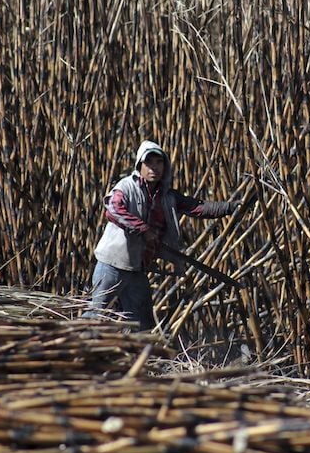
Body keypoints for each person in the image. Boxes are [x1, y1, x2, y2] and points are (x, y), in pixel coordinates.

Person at [82, 140, 239, 330]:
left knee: (142, 323)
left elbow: (196, 207)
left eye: (159, 162)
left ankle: (140, 358)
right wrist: (143, 229)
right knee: (95, 314)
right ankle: (75, 350)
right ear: (140, 165)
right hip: (112, 264)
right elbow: (112, 209)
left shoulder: (166, 195)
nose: (154, 168)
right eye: (149, 163)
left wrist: (229, 207)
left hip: (136, 268)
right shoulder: (126, 187)